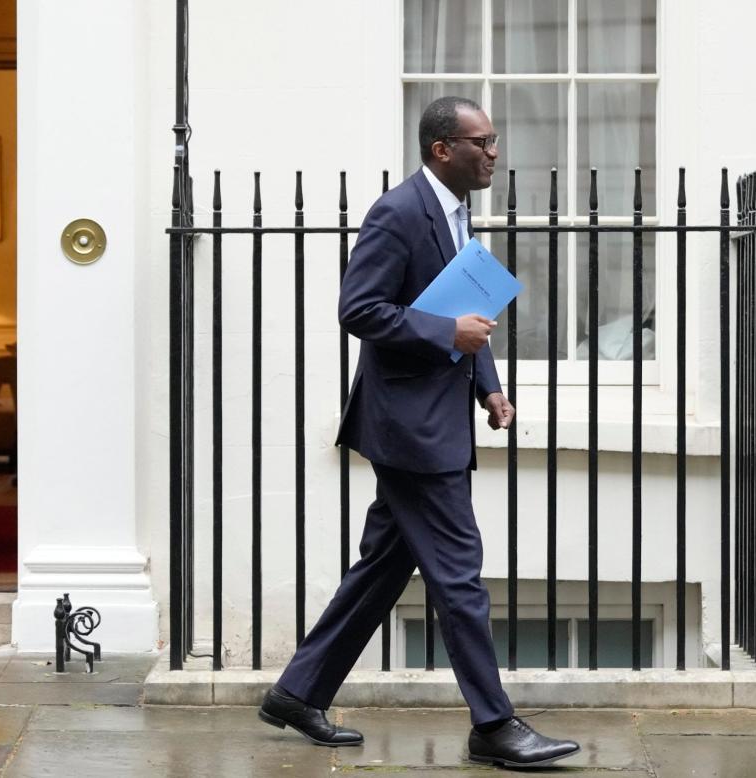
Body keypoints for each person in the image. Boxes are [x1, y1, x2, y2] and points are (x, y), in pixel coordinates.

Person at [257, 96, 580, 769]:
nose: (492, 153)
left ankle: (296, 692)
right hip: (409, 429)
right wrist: (444, 333)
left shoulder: (455, 215)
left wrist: (487, 384)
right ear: (441, 150)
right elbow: (359, 308)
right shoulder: (398, 212)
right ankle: (493, 726)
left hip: (436, 417)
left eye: (493, 141)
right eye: (480, 142)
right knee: (459, 576)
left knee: (380, 568)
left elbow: (467, 308)